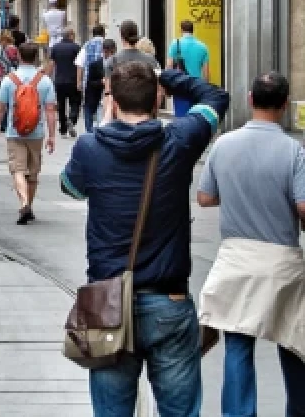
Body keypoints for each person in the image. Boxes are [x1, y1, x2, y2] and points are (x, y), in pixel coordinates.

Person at [60, 63, 228, 415]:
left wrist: (106, 120)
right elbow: (215, 97)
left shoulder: (90, 147)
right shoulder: (180, 140)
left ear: (113, 100)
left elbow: (70, 187)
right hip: (169, 300)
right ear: (155, 98)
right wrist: (164, 75)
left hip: (108, 304)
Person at [195, 71, 305, 416]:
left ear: (250, 100)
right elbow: (303, 207)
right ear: (285, 105)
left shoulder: (224, 144)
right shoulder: (293, 151)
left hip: (236, 260)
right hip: (281, 262)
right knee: (293, 343)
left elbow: (205, 197)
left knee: (238, 344)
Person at [0, 43, 57, 225]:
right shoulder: (44, 81)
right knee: (33, 173)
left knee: (18, 170)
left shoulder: (9, 79)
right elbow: (50, 111)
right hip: (36, 133)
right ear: (36, 57)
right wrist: (52, 136)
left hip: (15, 131)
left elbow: (0, 108)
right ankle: (30, 206)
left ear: (19, 56)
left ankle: (24, 203)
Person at [166, 20, 211, 117]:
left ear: (181, 30)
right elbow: (206, 74)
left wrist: (167, 86)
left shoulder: (175, 44)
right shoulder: (203, 47)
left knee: (181, 117)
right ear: (192, 30)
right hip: (196, 87)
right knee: (195, 117)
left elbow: (169, 67)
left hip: (180, 86)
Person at [104, 19, 159, 93]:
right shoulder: (151, 60)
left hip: (120, 103)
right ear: (137, 34)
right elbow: (158, 89)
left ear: (121, 36)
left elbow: (108, 91)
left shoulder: (112, 61)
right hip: (145, 103)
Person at [47, 28, 82, 138]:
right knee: (75, 102)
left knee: (61, 105)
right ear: (71, 35)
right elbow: (79, 66)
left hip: (59, 81)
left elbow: (52, 64)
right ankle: (71, 119)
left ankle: (63, 130)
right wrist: (79, 81)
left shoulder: (55, 47)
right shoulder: (76, 47)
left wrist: (47, 78)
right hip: (72, 80)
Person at [75, 25, 107, 132]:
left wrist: (78, 81)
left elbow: (80, 64)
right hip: (104, 79)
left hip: (89, 81)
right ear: (103, 33)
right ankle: (100, 127)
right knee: (101, 104)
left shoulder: (86, 45)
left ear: (92, 34)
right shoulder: (107, 44)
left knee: (88, 106)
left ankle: (89, 130)